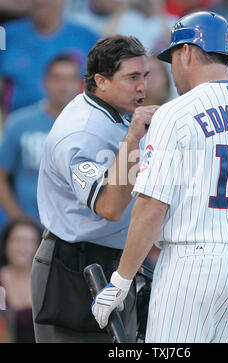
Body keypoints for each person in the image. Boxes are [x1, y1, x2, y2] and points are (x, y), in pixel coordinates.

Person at [92, 11, 228, 343]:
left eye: (172, 59)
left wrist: (120, 281)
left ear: (186, 52)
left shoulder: (176, 112)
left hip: (194, 265)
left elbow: (152, 206)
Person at [31, 35, 159, 343]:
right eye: (132, 78)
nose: (142, 86)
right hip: (73, 267)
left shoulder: (116, 113)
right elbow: (109, 207)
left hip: (116, 262)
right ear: (100, 81)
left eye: (145, 76)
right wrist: (131, 141)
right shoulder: (80, 131)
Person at [0, 54, 81, 225]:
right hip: (28, 227)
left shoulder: (89, 126)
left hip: (75, 227)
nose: (63, 86)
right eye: (57, 78)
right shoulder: (19, 122)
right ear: (45, 82)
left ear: (79, 85)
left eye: (69, 79)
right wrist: (17, 219)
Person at [0, 0, 98, 116]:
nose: (42, 2)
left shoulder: (87, 37)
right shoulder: (6, 35)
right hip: (18, 125)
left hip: (74, 122)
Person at [0, 218, 41, 343]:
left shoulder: (47, 283)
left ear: (38, 247)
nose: (22, 247)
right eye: (16, 240)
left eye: (29, 241)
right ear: (6, 244)